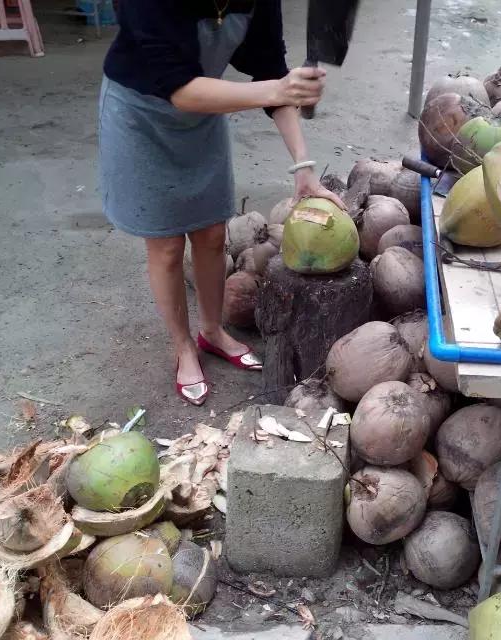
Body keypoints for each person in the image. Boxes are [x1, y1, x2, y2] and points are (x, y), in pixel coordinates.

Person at [99, 0, 344, 406]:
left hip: (203, 114)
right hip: (139, 115)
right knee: (166, 245)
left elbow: (270, 69)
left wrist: (304, 167)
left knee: (212, 233)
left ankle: (211, 331)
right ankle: (182, 347)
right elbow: (177, 87)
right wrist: (279, 88)